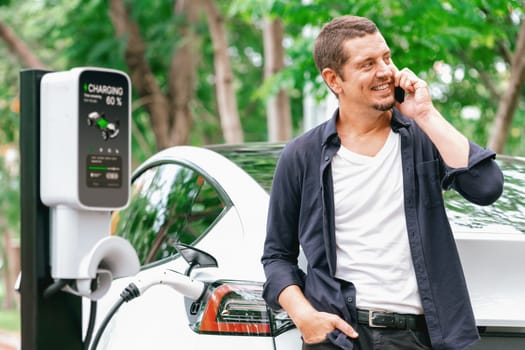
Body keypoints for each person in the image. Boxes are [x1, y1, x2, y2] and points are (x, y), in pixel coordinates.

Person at [261, 15, 504, 350]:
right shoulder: (301, 156)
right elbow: (276, 256)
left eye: (387, 58)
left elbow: (487, 187)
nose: (385, 71)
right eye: (368, 63)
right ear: (334, 79)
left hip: (415, 337)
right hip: (337, 337)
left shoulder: (422, 137)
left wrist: (425, 114)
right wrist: (304, 316)